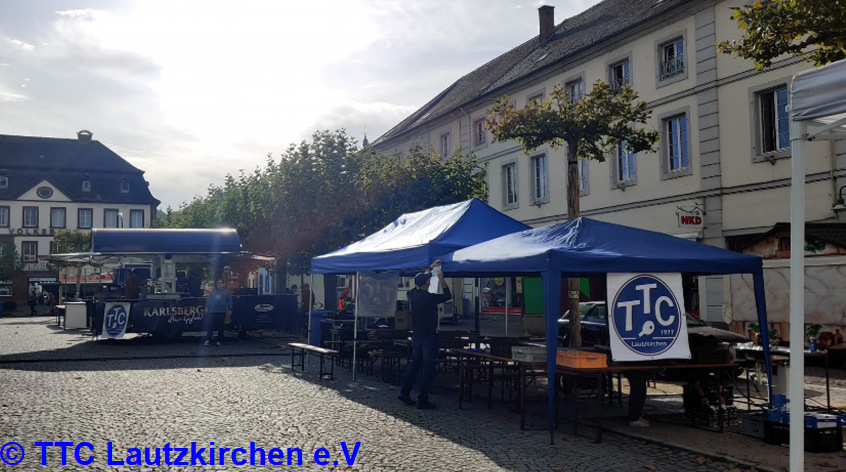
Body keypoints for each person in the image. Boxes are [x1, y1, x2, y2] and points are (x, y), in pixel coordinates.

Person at [398, 260, 452, 409]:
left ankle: (405, 392)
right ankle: (423, 399)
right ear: (427, 283)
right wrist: (441, 279)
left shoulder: (413, 295)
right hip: (428, 336)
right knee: (428, 368)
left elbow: (417, 284)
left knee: (415, 365)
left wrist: (429, 268)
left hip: (417, 335)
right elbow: (448, 295)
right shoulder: (429, 298)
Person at [204, 279, 232, 346]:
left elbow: (229, 301)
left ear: (223, 284)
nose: (219, 284)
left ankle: (219, 340)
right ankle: (208, 340)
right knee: (210, 326)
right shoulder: (213, 291)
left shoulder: (226, 292)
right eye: (218, 283)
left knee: (221, 327)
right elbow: (209, 300)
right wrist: (207, 307)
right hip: (213, 311)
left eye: (220, 283)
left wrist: (230, 309)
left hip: (222, 311)